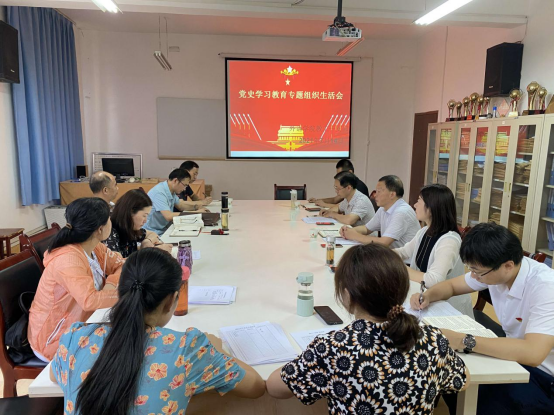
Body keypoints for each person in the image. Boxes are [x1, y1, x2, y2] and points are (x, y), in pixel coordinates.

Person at [50, 248, 266, 415]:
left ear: (121, 291)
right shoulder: (187, 350)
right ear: (172, 300)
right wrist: (216, 350)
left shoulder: (76, 338)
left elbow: (53, 374)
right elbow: (256, 387)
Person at [266, 244, 469, 415]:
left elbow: (275, 387)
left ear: (347, 296)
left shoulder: (333, 348)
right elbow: (463, 379)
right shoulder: (433, 340)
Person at [410, 222, 554, 415]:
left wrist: (463, 340)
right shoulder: (497, 269)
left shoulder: (545, 287)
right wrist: (427, 295)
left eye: (478, 271)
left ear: (508, 266)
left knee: (470, 387)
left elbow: (533, 353)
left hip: (544, 377)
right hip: (517, 356)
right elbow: (451, 286)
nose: (474, 276)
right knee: (454, 376)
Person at [29, 198, 124, 362]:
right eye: (109, 218)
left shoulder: (94, 246)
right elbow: (90, 300)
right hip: (54, 339)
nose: (111, 222)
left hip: (84, 323)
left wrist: (109, 285)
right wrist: (130, 294)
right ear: (100, 229)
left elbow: (121, 264)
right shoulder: (68, 260)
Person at [394, 184, 473, 317]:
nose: (415, 205)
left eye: (419, 201)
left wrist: (400, 268)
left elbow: (433, 280)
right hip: (424, 299)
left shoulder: (449, 240)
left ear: (431, 208)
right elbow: (404, 252)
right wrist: (381, 254)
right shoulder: (424, 231)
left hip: (448, 309)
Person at [340, 175, 420, 249]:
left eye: (379, 191)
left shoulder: (401, 212)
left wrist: (355, 236)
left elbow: (384, 242)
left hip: (404, 258)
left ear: (392, 194)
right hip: (391, 254)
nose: (375, 195)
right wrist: (349, 231)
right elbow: (367, 229)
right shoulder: (383, 208)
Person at [105, 189, 173, 258]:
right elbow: (118, 262)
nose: (145, 220)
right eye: (144, 215)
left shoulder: (130, 227)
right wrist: (154, 252)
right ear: (131, 212)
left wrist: (147, 241)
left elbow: (152, 234)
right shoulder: (110, 233)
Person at [144, 169, 208, 235]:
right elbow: (168, 216)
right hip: (152, 231)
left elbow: (181, 206)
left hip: (163, 228)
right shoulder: (159, 192)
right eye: (184, 185)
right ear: (175, 181)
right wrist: (196, 213)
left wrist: (196, 207)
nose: (185, 189)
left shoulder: (171, 191)